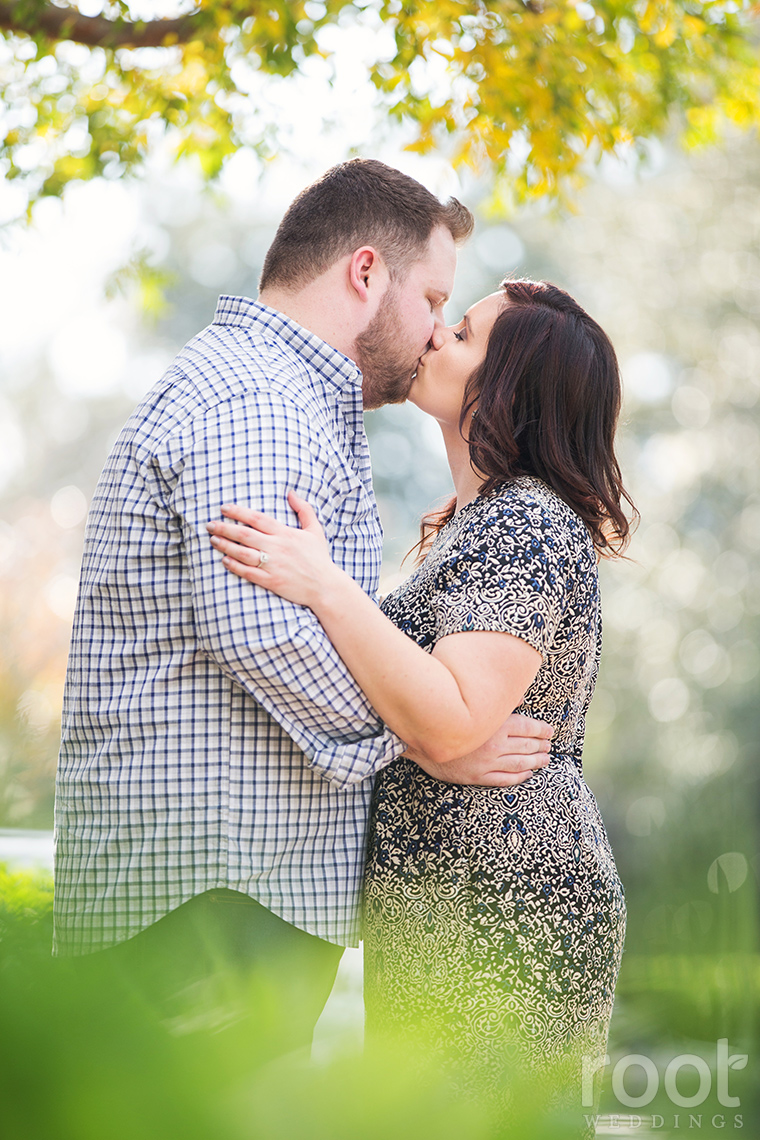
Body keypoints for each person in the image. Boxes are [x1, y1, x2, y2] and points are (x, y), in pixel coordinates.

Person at [53, 160, 552, 1051]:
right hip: (208, 904)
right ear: (367, 273)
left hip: (222, 897)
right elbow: (268, 632)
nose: (438, 329)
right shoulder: (260, 403)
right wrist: (432, 734)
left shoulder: (278, 398)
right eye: (434, 299)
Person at [206, 278, 635, 1118]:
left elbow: (451, 714)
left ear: (514, 386)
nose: (434, 334)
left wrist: (327, 588)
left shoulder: (528, 522)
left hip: (506, 907)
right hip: (447, 904)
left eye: (465, 333)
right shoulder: (470, 522)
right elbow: (430, 719)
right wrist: (418, 738)